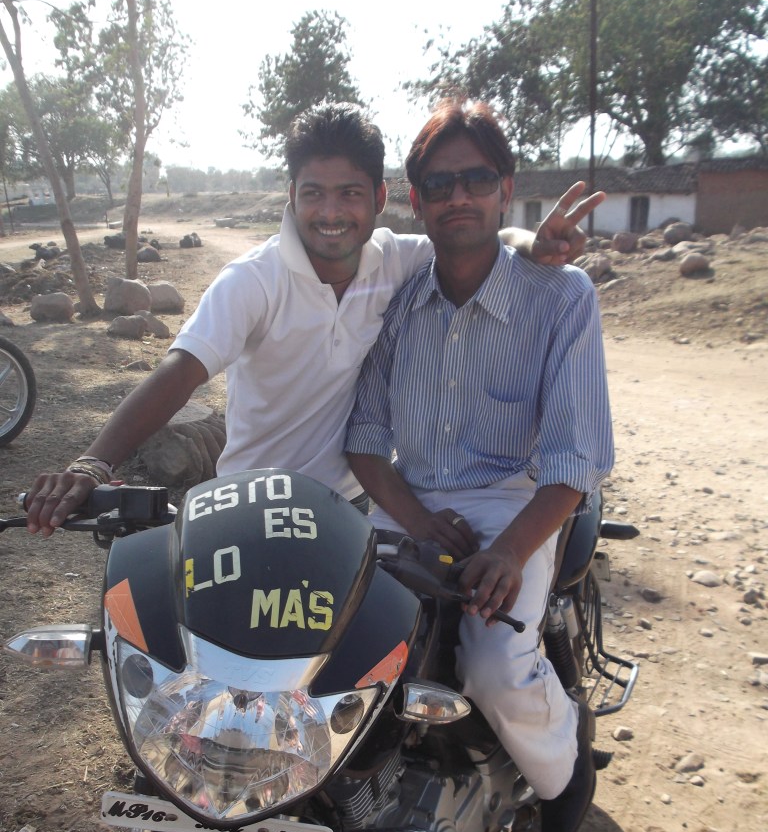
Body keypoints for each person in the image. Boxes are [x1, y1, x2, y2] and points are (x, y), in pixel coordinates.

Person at [25, 102, 603, 538]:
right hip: (247, 507)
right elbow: (179, 373)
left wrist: (532, 243)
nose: (331, 213)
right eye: (313, 194)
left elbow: (477, 238)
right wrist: (92, 463)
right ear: (292, 196)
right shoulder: (254, 280)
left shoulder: (396, 260)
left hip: (346, 511)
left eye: (349, 193)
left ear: (379, 197)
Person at [345, 99, 614, 832]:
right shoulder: (398, 304)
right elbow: (364, 440)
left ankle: (564, 764)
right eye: (440, 183)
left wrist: (510, 551)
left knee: (494, 664)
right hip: (407, 500)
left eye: (477, 179)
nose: (458, 196)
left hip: (512, 502)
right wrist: (418, 519)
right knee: (334, 639)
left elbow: (574, 458)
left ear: (505, 188)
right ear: (416, 199)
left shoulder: (561, 297)